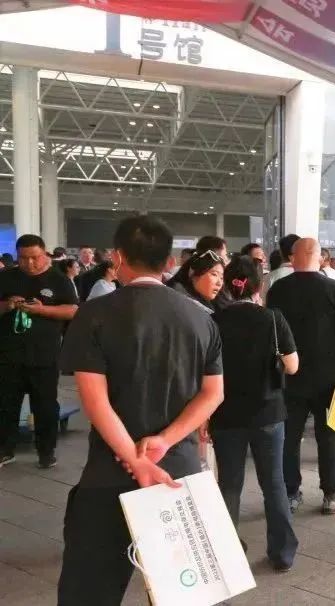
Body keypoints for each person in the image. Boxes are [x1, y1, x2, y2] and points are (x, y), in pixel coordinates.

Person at [56, 216, 224, 604]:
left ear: (117, 257)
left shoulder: (94, 314)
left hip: (108, 476)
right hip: (177, 473)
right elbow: (213, 394)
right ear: (170, 262)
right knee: (188, 595)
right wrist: (163, 441)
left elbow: (95, 401)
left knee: (89, 593)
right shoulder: (201, 319)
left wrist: (135, 460)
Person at [210, 256, 299, 572]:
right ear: (259, 286)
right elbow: (292, 365)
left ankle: (226, 554)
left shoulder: (213, 321)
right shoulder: (273, 319)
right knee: (273, 483)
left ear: (228, 286)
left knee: (229, 484)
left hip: (225, 415)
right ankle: (282, 553)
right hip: (268, 413)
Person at [267, 238, 335, 515]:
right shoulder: (334, 288)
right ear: (320, 259)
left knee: (290, 437)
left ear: (293, 258)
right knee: (329, 436)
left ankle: (291, 494)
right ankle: (331, 493)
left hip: (290, 376)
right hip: (328, 376)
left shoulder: (278, 289)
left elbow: (272, 333)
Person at [0, 234, 79, 468]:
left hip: (44, 355)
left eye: (34, 257)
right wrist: (7, 305)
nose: (29, 263)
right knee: (6, 404)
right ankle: (5, 450)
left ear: (44, 254)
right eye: (23, 258)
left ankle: (46, 452)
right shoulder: (6, 277)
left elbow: (72, 310)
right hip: (8, 355)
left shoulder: (59, 280)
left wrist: (42, 310)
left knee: (45, 406)